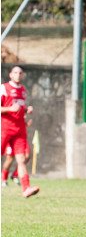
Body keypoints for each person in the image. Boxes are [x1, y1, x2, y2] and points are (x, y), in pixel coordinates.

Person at [1, 66, 40, 198]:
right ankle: (5, 179)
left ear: (23, 76)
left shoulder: (22, 90)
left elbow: (18, 108)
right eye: (15, 73)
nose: (18, 75)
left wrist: (26, 110)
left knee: (22, 159)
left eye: (20, 73)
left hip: (19, 130)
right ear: (10, 75)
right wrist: (10, 108)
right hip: (5, 129)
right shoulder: (4, 88)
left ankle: (26, 188)